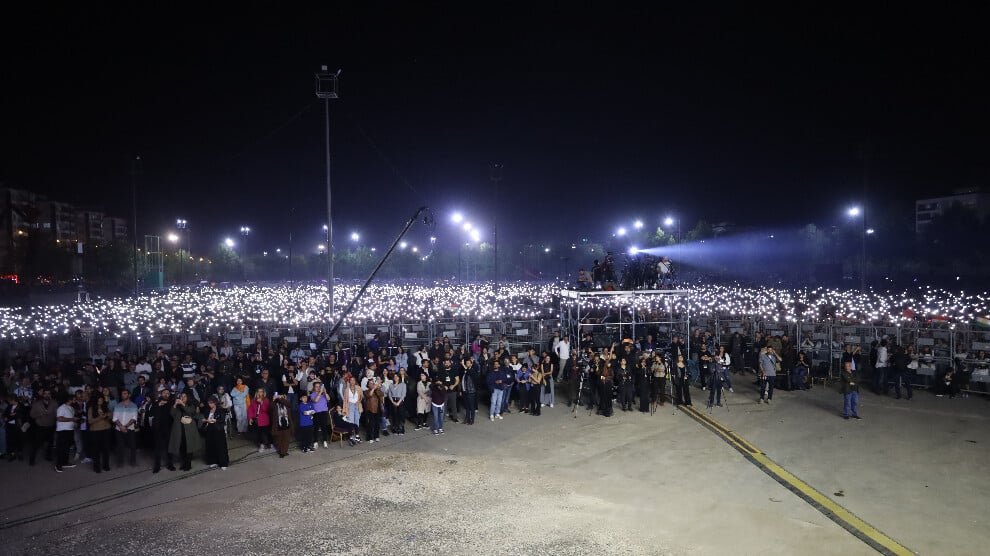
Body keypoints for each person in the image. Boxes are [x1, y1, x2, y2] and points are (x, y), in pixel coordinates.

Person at [169, 391, 202, 471]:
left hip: (189, 429)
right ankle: (184, 463)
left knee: (189, 447)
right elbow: (172, 414)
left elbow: (190, 412)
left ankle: (188, 464)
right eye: (181, 396)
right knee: (181, 447)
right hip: (179, 430)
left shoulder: (190, 405)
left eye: (184, 396)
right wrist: (175, 404)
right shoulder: (178, 406)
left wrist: (183, 404)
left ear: (188, 398)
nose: (182, 398)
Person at [28, 388, 56, 466]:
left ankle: (48, 456)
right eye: (45, 393)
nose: (47, 395)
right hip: (40, 427)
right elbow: (31, 415)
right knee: (36, 444)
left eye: (48, 393)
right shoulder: (36, 403)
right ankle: (32, 460)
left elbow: (58, 414)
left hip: (51, 426)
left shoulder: (54, 403)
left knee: (50, 443)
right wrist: (39, 415)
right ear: (43, 394)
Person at [112, 388, 139, 467]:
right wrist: (121, 426)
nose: (123, 395)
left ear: (129, 395)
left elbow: (134, 418)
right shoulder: (118, 405)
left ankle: (133, 461)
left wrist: (125, 426)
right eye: (122, 394)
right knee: (120, 446)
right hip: (118, 429)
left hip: (130, 428)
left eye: (125, 393)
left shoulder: (134, 405)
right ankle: (120, 462)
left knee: (133, 446)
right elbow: (114, 418)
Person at [201, 395, 229, 469]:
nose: (210, 404)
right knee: (211, 446)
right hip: (210, 430)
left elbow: (222, 420)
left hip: (218, 430)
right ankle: (213, 461)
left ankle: (223, 463)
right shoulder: (207, 410)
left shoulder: (220, 410)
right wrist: (205, 420)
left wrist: (215, 420)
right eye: (209, 403)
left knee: (220, 447)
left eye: (211, 403)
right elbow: (205, 418)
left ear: (215, 402)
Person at [87, 394, 112, 473]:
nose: (100, 401)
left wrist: (107, 415)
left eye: (101, 400)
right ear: (95, 401)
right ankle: (97, 467)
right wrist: (99, 418)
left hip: (106, 430)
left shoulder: (105, 407)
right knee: (96, 450)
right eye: (98, 400)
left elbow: (111, 416)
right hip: (95, 431)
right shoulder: (91, 409)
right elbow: (90, 421)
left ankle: (106, 465)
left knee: (106, 449)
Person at [151, 389, 175, 473]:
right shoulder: (156, 403)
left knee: (170, 448)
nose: (166, 394)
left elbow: (174, 413)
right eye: (164, 393)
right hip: (158, 430)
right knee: (158, 448)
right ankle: (157, 466)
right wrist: (158, 405)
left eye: (168, 393)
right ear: (161, 394)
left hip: (169, 429)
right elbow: (151, 412)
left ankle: (170, 464)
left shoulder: (172, 403)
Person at [54, 393, 78, 473]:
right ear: (69, 399)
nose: (75, 400)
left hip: (70, 430)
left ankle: (65, 462)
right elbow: (59, 418)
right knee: (61, 448)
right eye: (74, 399)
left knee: (67, 448)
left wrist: (74, 420)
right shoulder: (62, 408)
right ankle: (58, 465)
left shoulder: (71, 408)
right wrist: (72, 419)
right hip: (62, 430)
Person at [309, 381, 330, 449]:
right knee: (316, 428)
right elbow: (315, 401)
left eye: (319, 386)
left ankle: (325, 441)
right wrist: (320, 392)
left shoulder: (324, 394)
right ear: (314, 388)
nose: (318, 388)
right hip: (316, 413)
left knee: (324, 427)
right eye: (316, 387)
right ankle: (315, 442)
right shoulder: (312, 394)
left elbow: (328, 399)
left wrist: (325, 392)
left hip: (324, 412)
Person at [363, 378, 384, 443]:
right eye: (370, 383)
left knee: (377, 424)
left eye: (373, 383)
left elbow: (382, 394)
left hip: (378, 409)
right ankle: (370, 437)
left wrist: (377, 388)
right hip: (370, 410)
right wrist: (373, 389)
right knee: (370, 424)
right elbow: (369, 395)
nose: (372, 384)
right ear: (368, 385)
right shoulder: (366, 391)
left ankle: (376, 436)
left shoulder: (377, 390)